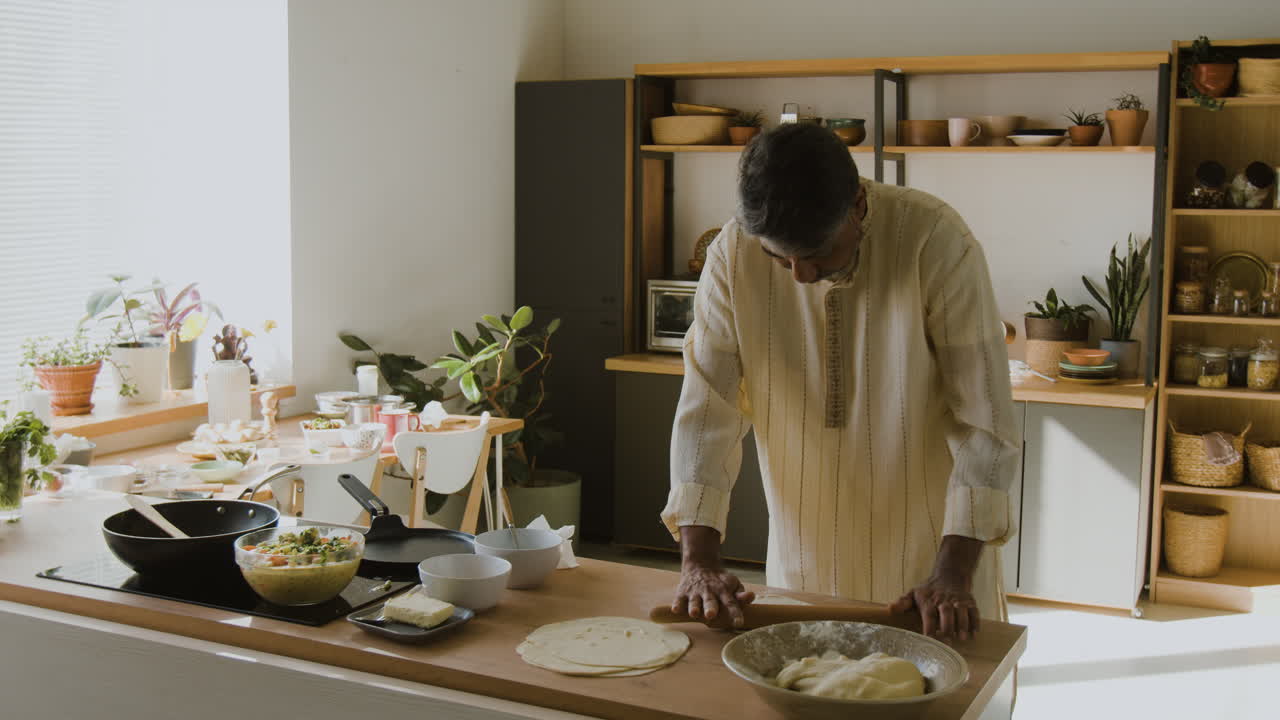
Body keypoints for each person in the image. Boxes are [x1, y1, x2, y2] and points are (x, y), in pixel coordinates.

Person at [662, 123, 1020, 639]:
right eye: (778, 259)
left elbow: (985, 421)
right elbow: (706, 411)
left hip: (932, 565)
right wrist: (698, 560)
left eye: (817, 255)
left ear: (857, 203)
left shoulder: (933, 239)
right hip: (803, 552)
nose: (800, 278)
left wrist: (953, 572)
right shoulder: (733, 254)